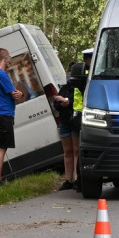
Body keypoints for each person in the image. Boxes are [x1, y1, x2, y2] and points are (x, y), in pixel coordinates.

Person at [0, 48, 24, 185]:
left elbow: (16, 94)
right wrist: (19, 94)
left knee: (1, 146)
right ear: (4, 59)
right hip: (3, 114)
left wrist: (18, 94)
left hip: (1, 114)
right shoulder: (0, 74)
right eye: (9, 58)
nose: (10, 61)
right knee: (1, 147)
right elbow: (15, 94)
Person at [52, 62, 83, 190]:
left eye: (71, 73)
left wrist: (67, 101)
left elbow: (77, 101)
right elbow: (56, 103)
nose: (69, 76)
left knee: (76, 150)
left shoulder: (80, 87)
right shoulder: (64, 87)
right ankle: (68, 180)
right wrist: (60, 103)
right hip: (65, 121)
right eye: (68, 73)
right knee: (67, 151)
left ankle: (77, 179)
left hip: (75, 121)